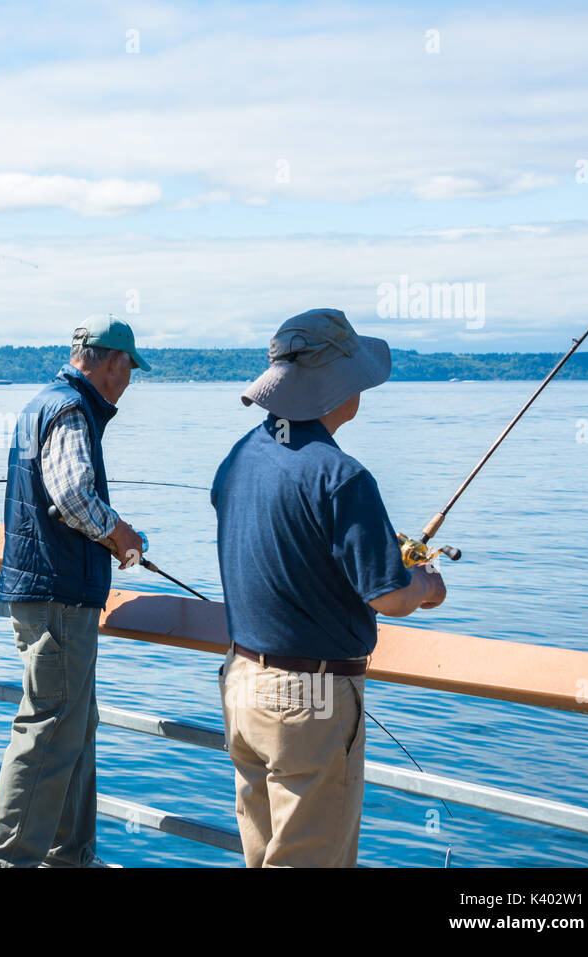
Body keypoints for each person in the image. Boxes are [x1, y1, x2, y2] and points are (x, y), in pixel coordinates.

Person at [211, 307, 448, 868]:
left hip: (242, 683)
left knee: (263, 854)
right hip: (309, 700)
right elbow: (390, 597)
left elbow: (287, 547)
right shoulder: (343, 476)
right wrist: (425, 584)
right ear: (337, 385)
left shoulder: (240, 458)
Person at [0, 314, 149, 868]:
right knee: (49, 727)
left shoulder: (40, 403)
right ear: (109, 361)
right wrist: (121, 534)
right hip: (59, 594)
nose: (129, 380)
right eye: (128, 368)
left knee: (74, 724)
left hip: (42, 588)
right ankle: (7, 860)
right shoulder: (72, 408)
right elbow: (72, 495)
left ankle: (68, 852)